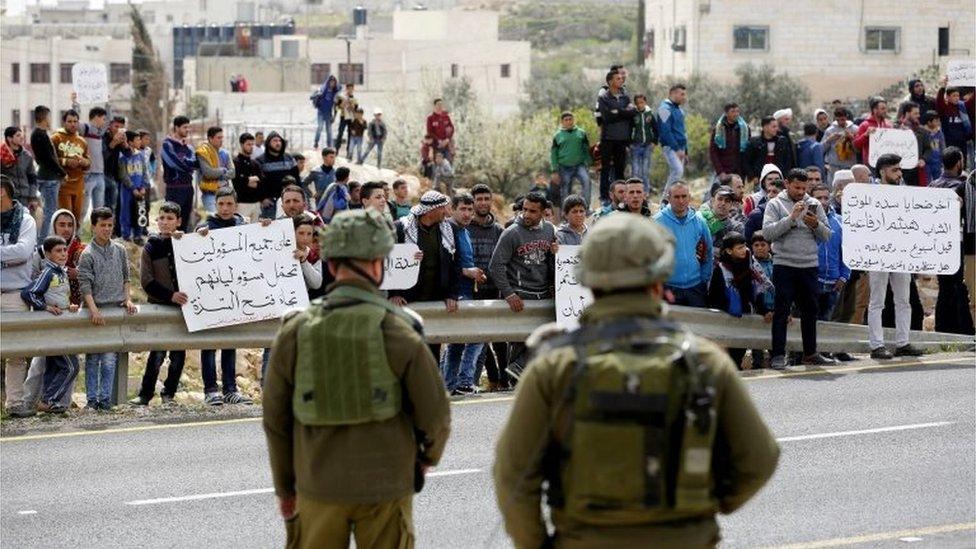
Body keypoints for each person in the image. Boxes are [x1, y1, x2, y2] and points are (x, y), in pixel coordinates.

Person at [493, 213, 780, 549]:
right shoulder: (704, 362)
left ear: (591, 284)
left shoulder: (553, 368)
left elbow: (513, 475)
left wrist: (539, 544)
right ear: (659, 282)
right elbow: (759, 458)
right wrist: (705, 509)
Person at [262, 208, 451, 548]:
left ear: (331, 265)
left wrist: (285, 489)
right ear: (380, 264)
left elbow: (276, 421)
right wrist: (424, 461)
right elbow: (436, 417)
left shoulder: (295, 332)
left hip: (317, 487)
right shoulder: (401, 330)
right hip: (387, 486)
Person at [762, 168, 833, 369]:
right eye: (797, 187)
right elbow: (767, 234)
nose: (801, 192)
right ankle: (777, 355)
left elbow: (827, 235)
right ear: (786, 184)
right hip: (784, 265)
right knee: (781, 311)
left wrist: (815, 224)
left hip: (809, 265)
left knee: (810, 311)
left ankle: (810, 353)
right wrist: (791, 219)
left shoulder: (814, 204)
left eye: (804, 188)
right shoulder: (775, 204)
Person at [192, 188, 254, 405]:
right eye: (221, 205)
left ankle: (230, 389)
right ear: (215, 206)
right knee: (209, 344)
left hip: (235, 295)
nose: (225, 208)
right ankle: (210, 390)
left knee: (230, 343)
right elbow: (193, 247)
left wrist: (266, 228)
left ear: (235, 205)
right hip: (211, 295)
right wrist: (198, 235)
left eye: (229, 204)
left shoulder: (242, 226)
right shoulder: (206, 226)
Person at [489, 191, 556, 379]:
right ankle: (514, 378)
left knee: (547, 336)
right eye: (525, 209)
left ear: (543, 212)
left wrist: (556, 253)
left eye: (533, 211)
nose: (526, 214)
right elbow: (496, 266)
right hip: (521, 294)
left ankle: (520, 371)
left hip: (542, 293)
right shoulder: (512, 232)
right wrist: (509, 294)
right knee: (520, 340)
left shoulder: (550, 230)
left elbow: (552, 263)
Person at [867, 154, 926, 359]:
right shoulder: (868, 193)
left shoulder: (904, 193)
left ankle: (903, 343)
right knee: (877, 301)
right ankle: (876, 345)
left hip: (901, 254)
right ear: (882, 171)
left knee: (904, 300)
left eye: (900, 169)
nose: (899, 173)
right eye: (894, 170)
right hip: (878, 254)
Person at [78, 207, 137, 410]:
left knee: (109, 360)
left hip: (115, 310)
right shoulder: (87, 254)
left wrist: (127, 299)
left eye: (110, 225)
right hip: (96, 310)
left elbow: (126, 276)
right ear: (93, 226)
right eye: (102, 225)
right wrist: (93, 309)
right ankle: (91, 401)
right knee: (93, 359)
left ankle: (105, 401)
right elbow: (85, 284)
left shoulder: (119, 250)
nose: (106, 229)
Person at [130, 202, 188, 406]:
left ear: (179, 222)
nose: (165, 222)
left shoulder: (185, 242)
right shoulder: (151, 246)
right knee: (157, 353)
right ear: (157, 220)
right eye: (162, 218)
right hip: (160, 306)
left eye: (170, 219)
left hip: (183, 309)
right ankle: (145, 394)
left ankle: (169, 393)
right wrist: (170, 295)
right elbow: (146, 281)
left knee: (179, 354)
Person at [19, 235, 78, 414]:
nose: (63, 254)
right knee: (71, 366)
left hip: (60, 326)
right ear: (48, 254)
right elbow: (29, 293)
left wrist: (69, 306)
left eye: (65, 250)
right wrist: (45, 307)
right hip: (52, 328)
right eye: (58, 251)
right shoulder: (48, 272)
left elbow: (57, 296)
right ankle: (48, 401)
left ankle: (48, 402)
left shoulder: (61, 272)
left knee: (55, 366)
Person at [441, 193, 486, 395]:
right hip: (455, 293)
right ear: (452, 209)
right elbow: (444, 264)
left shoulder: (464, 231)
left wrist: (474, 274)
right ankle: (464, 381)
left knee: (458, 342)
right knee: (477, 335)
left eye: (470, 209)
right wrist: (467, 272)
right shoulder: (448, 229)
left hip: (466, 291)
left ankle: (450, 384)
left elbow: (463, 263)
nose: (468, 214)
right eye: (463, 209)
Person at [707, 231, 773, 369]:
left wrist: (764, 310)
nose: (744, 250)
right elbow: (713, 296)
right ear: (729, 251)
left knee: (738, 354)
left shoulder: (749, 264)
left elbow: (756, 290)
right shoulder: (721, 269)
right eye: (739, 248)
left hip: (743, 315)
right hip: (725, 318)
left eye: (744, 246)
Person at [1, 175, 38, 417]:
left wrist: (14, 255)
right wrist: (9, 255)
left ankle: (14, 403)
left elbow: (24, 251)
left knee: (15, 353)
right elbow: (15, 254)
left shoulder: (25, 220)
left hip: (15, 294)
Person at [468, 183, 510, 391]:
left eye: (486, 199)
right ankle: (491, 378)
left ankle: (504, 381)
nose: (483, 203)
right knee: (478, 340)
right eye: (479, 199)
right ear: (473, 201)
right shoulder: (464, 228)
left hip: (495, 291)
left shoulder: (499, 231)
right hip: (471, 292)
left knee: (500, 340)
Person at [927, 148, 974, 335]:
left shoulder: (933, 185)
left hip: (938, 243)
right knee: (961, 287)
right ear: (958, 163)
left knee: (945, 287)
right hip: (959, 242)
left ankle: (943, 328)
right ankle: (963, 330)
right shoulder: (962, 185)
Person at [653, 181, 712, 307]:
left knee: (699, 326)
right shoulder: (657, 222)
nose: (681, 201)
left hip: (695, 287)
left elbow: (708, 252)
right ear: (669, 198)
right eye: (676, 197)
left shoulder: (699, 221)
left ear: (689, 197)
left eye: (684, 196)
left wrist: (703, 279)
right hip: (668, 287)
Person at [811, 183, 851, 343]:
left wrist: (843, 277)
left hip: (834, 282)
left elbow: (848, 250)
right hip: (813, 280)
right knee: (809, 319)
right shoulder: (805, 220)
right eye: (818, 198)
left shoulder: (840, 221)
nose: (822, 201)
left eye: (826, 198)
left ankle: (826, 351)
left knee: (828, 319)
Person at [598, 71, 638, 204]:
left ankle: (621, 198)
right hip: (608, 139)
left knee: (620, 169)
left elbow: (632, 112)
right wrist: (623, 112)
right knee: (605, 169)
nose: (621, 80)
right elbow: (606, 117)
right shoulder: (603, 98)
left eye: (621, 78)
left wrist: (618, 111)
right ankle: (604, 197)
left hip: (622, 139)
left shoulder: (625, 97)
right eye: (618, 78)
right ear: (610, 81)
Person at [30, 106, 66, 241]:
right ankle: (42, 242)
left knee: (49, 211)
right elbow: (49, 158)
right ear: (44, 118)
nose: (50, 120)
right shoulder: (40, 134)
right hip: (49, 178)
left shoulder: (40, 134)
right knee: (49, 212)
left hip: (47, 176)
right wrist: (62, 173)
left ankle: (42, 240)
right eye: (49, 117)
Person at [51, 110, 91, 221]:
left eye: (75, 121)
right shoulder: (56, 138)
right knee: (66, 216)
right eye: (69, 121)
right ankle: (63, 238)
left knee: (77, 216)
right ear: (64, 122)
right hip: (62, 183)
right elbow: (49, 160)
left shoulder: (82, 141)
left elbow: (88, 163)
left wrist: (83, 161)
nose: (73, 124)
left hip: (79, 183)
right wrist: (66, 161)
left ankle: (75, 238)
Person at [161, 116, 198, 232]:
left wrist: (185, 164)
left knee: (184, 223)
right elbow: (173, 163)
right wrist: (187, 165)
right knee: (171, 222)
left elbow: (196, 164)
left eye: (188, 127)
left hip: (188, 188)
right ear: (176, 128)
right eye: (184, 127)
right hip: (174, 189)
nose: (187, 130)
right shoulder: (167, 145)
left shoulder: (189, 147)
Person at [550, 112, 592, 210]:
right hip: (564, 166)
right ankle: (566, 211)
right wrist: (554, 170)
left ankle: (586, 208)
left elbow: (586, 149)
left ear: (573, 120)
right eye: (566, 120)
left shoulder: (581, 133)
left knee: (587, 181)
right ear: (562, 122)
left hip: (579, 165)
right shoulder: (557, 136)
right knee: (565, 190)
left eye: (570, 119)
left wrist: (590, 163)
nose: (568, 122)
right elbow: (553, 154)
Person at [255, 131, 301, 220]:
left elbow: (297, 179)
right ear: (268, 143)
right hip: (270, 203)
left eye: (279, 141)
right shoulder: (260, 160)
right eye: (275, 141)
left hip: (289, 201)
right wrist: (262, 198)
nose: (278, 143)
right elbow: (259, 183)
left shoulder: (289, 158)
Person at [73, 103, 108, 218]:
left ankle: (97, 234)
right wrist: (75, 104)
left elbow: (109, 122)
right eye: (103, 118)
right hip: (87, 175)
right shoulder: (85, 128)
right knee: (83, 208)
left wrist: (107, 104)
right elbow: (75, 122)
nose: (104, 122)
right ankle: (77, 233)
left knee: (99, 210)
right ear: (96, 117)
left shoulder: (100, 132)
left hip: (100, 175)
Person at [116, 131, 150, 242]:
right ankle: (126, 235)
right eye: (137, 140)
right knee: (126, 212)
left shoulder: (140, 155)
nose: (140, 141)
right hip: (127, 190)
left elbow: (144, 171)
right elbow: (123, 174)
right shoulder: (123, 156)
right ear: (130, 142)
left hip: (140, 189)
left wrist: (144, 186)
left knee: (140, 212)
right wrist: (132, 188)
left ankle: (138, 235)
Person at [751, 231, 776, 368]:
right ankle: (757, 365)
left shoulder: (776, 263)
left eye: (763, 244)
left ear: (770, 246)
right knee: (757, 344)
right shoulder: (749, 264)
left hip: (774, 308)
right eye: (756, 245)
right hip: (757, 310)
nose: (760, 248)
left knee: (774, 343)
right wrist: (763, 309)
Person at [195, 126, 235, 213]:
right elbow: (208, 173)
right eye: (218, 137)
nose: (221, 140)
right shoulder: (203, 152)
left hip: (225, 194)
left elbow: (232, 173)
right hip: (210, 195)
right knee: (215, 222)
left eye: (222, 137)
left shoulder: (225, 153)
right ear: (210, 138)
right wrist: (223, 170)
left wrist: (218, 174)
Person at [658, 83, 688, 197]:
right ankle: (665, 199)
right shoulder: (663, 109)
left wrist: (686, 151)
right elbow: (665, 131)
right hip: (670, 147)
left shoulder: (679, 109)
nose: (684, 97)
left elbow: (683, 131)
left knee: (678, 175)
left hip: (681, 147)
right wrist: (676, 149)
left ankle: (670, 200)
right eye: (682, 94)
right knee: (677, 171)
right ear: (673, 93)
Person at [745, 116, 794, 181]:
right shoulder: (754, 142)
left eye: (777, 126)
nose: (776, 129)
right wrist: (752, 176)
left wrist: (785, 176)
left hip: (779, 177)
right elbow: (747, 161)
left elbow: (788, 161)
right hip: (759, 178)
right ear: (765, 127)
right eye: (773, 127)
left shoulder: (782, 141)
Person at [894, 101, 931, 186]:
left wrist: (923, 159)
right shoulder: (895, 128)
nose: (918, 115)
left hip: (916, 170)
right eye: (915, 113)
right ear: (907, 113)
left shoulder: (922, 131)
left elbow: (928, 149)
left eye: (918, 113)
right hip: (899, 169)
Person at [709, 102, 750, 181]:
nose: (736, 114)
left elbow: (748, 150)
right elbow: (713, 152)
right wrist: (720, 172)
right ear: (726, 113)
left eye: (737, 111)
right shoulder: (718, 130)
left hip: (740, 170)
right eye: (733, 112)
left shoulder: (745, 129)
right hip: (724, 170)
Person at [1, 127, 37, 211]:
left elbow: (32, 178)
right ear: (9, 138)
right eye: (18, 135)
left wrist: (32, 197)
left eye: (22, 135)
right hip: (8, 197)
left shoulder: (27, 156)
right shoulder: (2, 155)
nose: (22, 137)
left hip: (25, 197)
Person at [936, 78, 975, 154]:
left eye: (958, 95)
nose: (957, 98)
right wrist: (943, 87)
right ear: (947, 97)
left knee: (962, 163)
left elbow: (972, 100)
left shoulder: (962, 106)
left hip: (962, 141)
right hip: (949, 142)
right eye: (954, 95)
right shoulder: (944, 108)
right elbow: (939, 101)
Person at [232, 132, 265, 222]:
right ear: (242, 145)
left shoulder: (255, 163)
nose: (251, 147)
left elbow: (261, 181)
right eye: (248, 144)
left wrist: (247, 180)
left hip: (256, 204)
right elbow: (236, 181)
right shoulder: (235, 163)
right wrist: (248, 180)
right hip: (242, 204)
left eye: (252, 144)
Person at [820, 107, 858, 184]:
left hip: (850, 166)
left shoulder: (855, 129)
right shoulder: (830, 130)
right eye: (838, 120)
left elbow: (859, 149)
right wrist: (829, 139)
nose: (840, 122)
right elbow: (821, 149)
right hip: (834, 167)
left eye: (842, 120)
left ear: (846, 117)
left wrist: (852, 138)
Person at [101, 115, 127, 226]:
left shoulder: (121, 139)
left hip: (115, 175)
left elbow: (129, 155)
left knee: (115, 206)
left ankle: (113, 229)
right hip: (103, 174)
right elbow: (103, 157)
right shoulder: (103, 137)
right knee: (105, 205)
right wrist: (113, 144)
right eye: (116, 126)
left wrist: (125, 145)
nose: (118, 130)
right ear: (110, 125)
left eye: (121, 127)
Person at [630, 94, 658, 195]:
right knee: (635, 171)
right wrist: (630, 143)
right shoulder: (633, 115)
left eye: (641, 102)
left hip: (647, 145)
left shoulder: (649, 115)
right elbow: (629, 129)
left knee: (645, 171)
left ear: (645, 102)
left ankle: (645, 191)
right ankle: (633, 191)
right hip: (636, 145)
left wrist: (654, 142)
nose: (639, 105)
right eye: (637, 103)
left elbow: (656, 129)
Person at [744, 176, 784, 242]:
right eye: (769, 191)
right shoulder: (756, 215)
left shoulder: (793, 212)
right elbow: (748, 241)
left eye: (774, 192)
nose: (770, 195)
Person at [853, 97, 891, 165]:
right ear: (874, 110)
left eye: (886, 108)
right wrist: (866, 135)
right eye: (882, 109)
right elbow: (856, 144)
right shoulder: (864, 125)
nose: (885, 111)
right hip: (871, 164)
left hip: (886, 163)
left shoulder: (889, 124)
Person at [293, 215, 323, 298]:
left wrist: (304, 262)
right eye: (301, 233)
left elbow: (316, 284)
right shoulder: (282, 251)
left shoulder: (313, 255)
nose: (305, 238)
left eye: (309, 234)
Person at [312, 74, 340, 149]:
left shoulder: (335, 93)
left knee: (329, 130)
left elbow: (336, 106)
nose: (332, 83)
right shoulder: (322, 89)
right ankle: (316, 142)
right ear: (328, 82)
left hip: (328, 113)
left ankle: (329, 145)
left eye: (334, 82)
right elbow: (312, 96)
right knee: (320, 127)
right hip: (321, 111)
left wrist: (334, 116)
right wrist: (317, 95)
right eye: (331, 82)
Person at [333, 84, 358, 155]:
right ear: (346, 89)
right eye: (349, 89)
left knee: (350, 135)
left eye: (352, 89)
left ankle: (349, 152)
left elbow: (356, 110)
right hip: (343, 117)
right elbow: (336, 107)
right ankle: (337, 150)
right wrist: (342, 104)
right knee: (340, 133)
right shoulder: (341, 97)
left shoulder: (354, 99)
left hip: (351, 119)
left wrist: (351, 106)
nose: (350, 90)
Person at [924, 110, 946, 183]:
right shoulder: (923, 132)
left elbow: (943, 147)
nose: (938, 123)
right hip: (927, 162)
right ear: (929, 122)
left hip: (938, 162)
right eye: (936, 121)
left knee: (938, 181)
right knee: (928, 181)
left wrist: (944, 159)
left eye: (938, 121)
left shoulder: (939, 133)